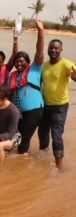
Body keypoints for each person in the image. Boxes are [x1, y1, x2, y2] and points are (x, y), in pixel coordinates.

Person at [38, 39, 76, 170]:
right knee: (42, 133)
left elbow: (74, 74)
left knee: (56, 135)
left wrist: (74, 75)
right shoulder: (44, 65)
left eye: (56, 48)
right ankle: (44, 156)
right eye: (51, 48)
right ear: (47, 49)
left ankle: (59, 166)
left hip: (60, 106)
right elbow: (39, 84)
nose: (53, 50)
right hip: (45, 105)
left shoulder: (66, 64)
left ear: (61, 49)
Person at [8, 19, 44, 154]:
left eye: (22, 61)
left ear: (28, 62)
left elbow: (39, 51)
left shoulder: (34, 69)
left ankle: (21, 158)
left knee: (24, 138)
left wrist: (41, 31)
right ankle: (21, 161)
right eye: (17, 61)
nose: (19, 63)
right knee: (15, 136)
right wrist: (15, 39)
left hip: (33, 111)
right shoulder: (12, 75)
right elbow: (13, 56)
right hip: (17, 112)